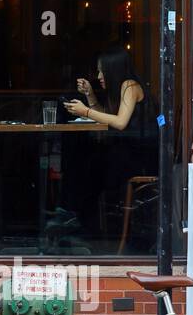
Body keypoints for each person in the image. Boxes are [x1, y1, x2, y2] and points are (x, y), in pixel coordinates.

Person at [61, 46, 159, 235]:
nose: (98, 76)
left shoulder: (129, 86)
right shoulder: (124, 86)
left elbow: (120, 122)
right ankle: (81, 219)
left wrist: (86, 112)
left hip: (140, 158)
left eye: (101, 70)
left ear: (112, 69)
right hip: (129, 152)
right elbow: (108, 116)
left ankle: (82, 222)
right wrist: (90, 95)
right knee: (87, 161)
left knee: (90, 165)